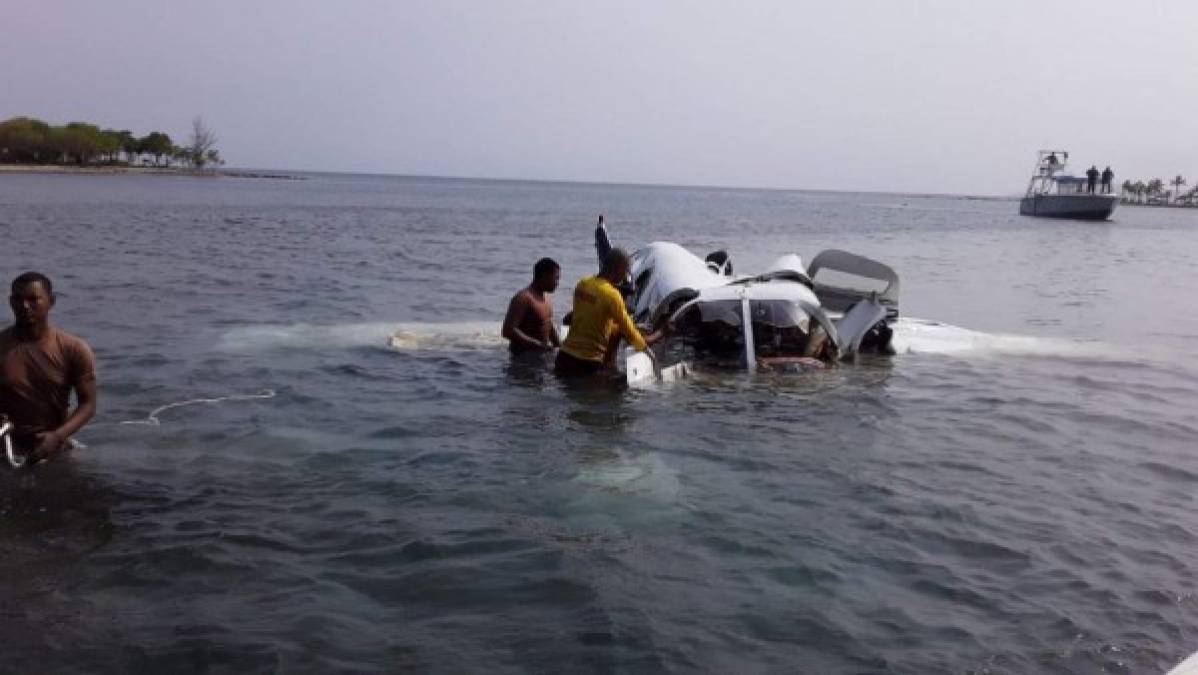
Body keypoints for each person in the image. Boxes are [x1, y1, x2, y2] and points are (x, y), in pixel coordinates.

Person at [0, 272, 97, 466]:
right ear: (11, 302)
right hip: (6, 448)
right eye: (18, 299)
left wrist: (57, 436)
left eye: (33, 299)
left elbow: (88, 405)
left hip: (53, 447)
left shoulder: (73, 349)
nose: (25, 306)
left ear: (51, 301)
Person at [555, 248, 664, 377]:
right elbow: (629, 332)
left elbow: (583, 316)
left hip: (564, 357)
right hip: (587, 363)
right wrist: (649, 353)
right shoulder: (612, 295)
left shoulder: (582, 284)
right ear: (618, 269)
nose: (625, 276)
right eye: (625, 272)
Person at [501, 258, 561, 354]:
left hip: (541, 355)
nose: (557, 283)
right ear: (544, 276)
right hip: (523, 358)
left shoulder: (546, 298)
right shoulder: (523, 298)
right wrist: (538, 345)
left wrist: (559, 346)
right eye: (556, 278)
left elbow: (548, 324)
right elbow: (508, 330)